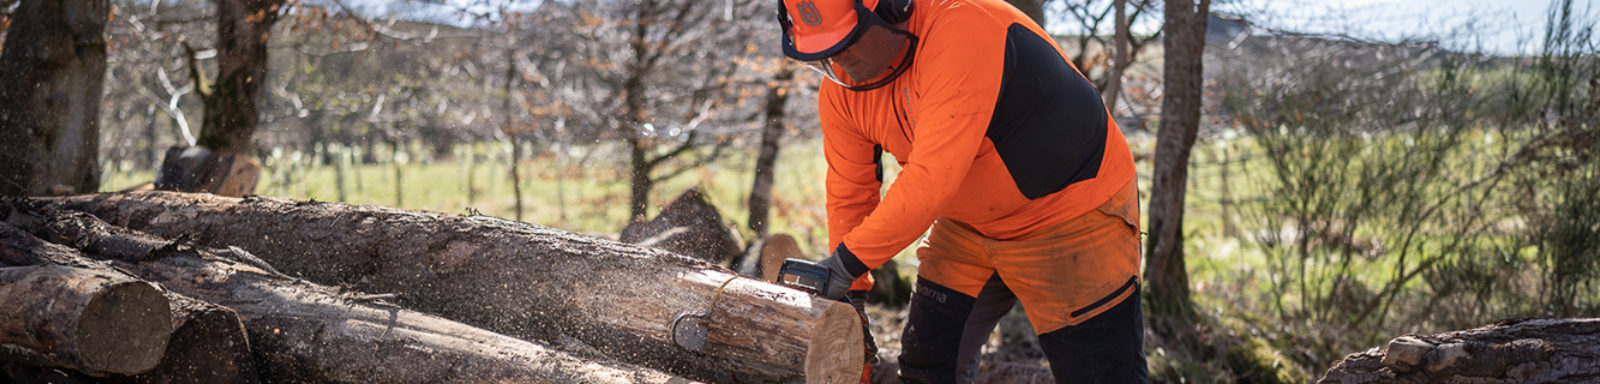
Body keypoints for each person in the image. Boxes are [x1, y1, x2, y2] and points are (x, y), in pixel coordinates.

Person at [775, 0, 1148, 382]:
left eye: (847, 41)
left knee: (1102, 373)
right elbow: (849, 192)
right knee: (927, 363)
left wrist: (846, 263)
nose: (838, 59)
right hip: (967, 226)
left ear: (894, 8)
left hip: (1070, 214)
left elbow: (932, 178)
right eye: (825, 50)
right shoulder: (841, 93)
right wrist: (850, 295)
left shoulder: (962, 27)